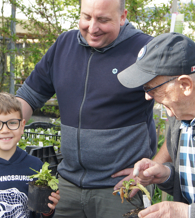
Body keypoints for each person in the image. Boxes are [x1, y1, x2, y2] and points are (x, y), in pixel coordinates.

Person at [16, 0, 162, 217]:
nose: (93, 28)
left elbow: (183, 114)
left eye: (103, 20)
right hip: (67, 186)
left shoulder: (145, 50)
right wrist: (4, 125)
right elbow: (28, 97)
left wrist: (154, 166)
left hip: (120, 190)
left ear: (122, 17)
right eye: (86, 17)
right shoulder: (64, 45)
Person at [117, 32, 195, 218]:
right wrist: (166, 175)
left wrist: (187, 213)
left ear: (185, 85)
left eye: (152, 88)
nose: (147, 96)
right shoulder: (179, 115)